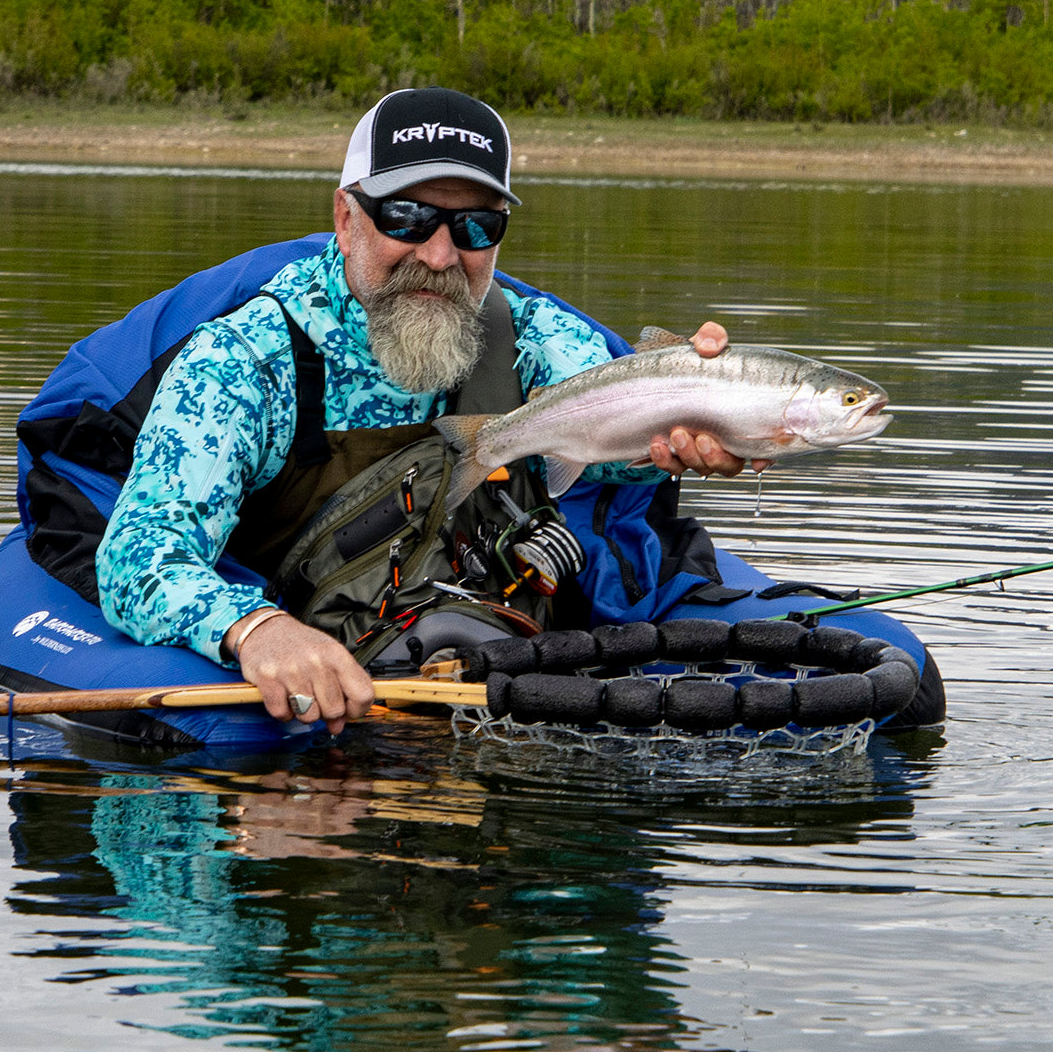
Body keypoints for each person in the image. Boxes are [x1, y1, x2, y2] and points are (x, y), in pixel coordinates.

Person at [95, 87, 756, 735]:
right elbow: (139, 553)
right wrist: (257, 629)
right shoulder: (242, 363)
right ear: (346, 218)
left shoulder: (538, 339)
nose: (439, 256)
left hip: (495, 672)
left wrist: (705, 417)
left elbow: (617, 451)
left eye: (476, 226)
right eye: (406, 217)